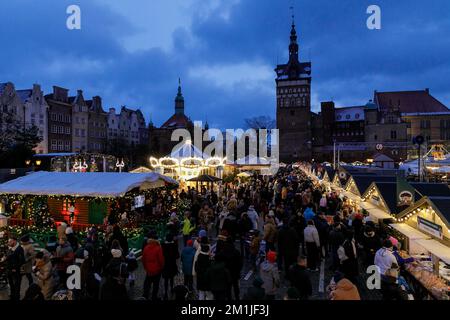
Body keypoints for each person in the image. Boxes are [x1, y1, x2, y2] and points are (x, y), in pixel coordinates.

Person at [142, 231, 165, 300]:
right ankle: (154, 297)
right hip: (157, 270)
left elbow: (143, 259)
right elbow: (161, 260)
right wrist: (161, 267)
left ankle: (145, 295)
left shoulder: (146, 248)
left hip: (149, 270)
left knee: (147, 283)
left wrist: (146, 268)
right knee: (156, 284)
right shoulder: (158, 248)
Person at [5, 234, 25, 300]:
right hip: (9, 270)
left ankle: (16, 297)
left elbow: (22, 261)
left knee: (17, 285)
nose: (8, 243)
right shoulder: (10, 248)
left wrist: (15, 268)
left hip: (16, 271)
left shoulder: (19, 249)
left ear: (14, 241)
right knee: (11, 284)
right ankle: (12, 295)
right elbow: (8, 258)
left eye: (10, 241)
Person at [161, 234, 180, 300]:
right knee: (171, 278)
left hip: (165, 265)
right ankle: (171, 288)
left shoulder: (163, 245)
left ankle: (166, 292)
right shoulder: (174, 245)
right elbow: (177, 256)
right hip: (172, 264)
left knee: (166, 279)